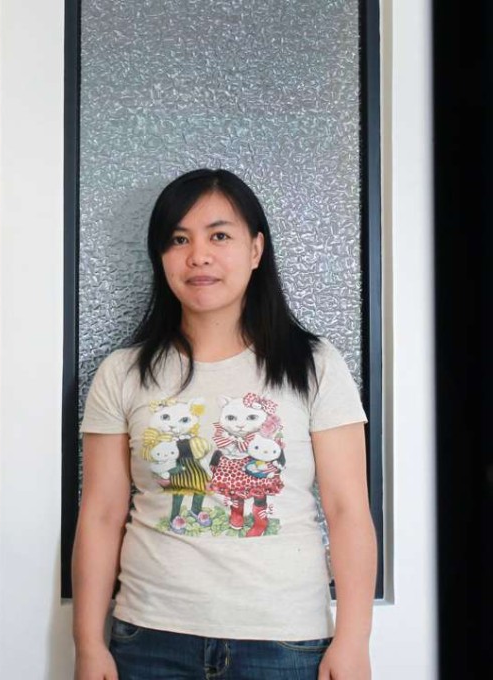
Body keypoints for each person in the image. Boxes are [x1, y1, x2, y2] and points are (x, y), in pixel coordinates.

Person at [72, 169, 376, 680]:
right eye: (178, 239)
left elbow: (348, 511)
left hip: (285, 641)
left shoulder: (314, 364)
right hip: (151, 638)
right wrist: (87, 643)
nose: (199, 256)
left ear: (256, 249)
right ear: (161, 256)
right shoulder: (122, 373)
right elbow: (101, 515)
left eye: (219, 236)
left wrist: (354, 640)